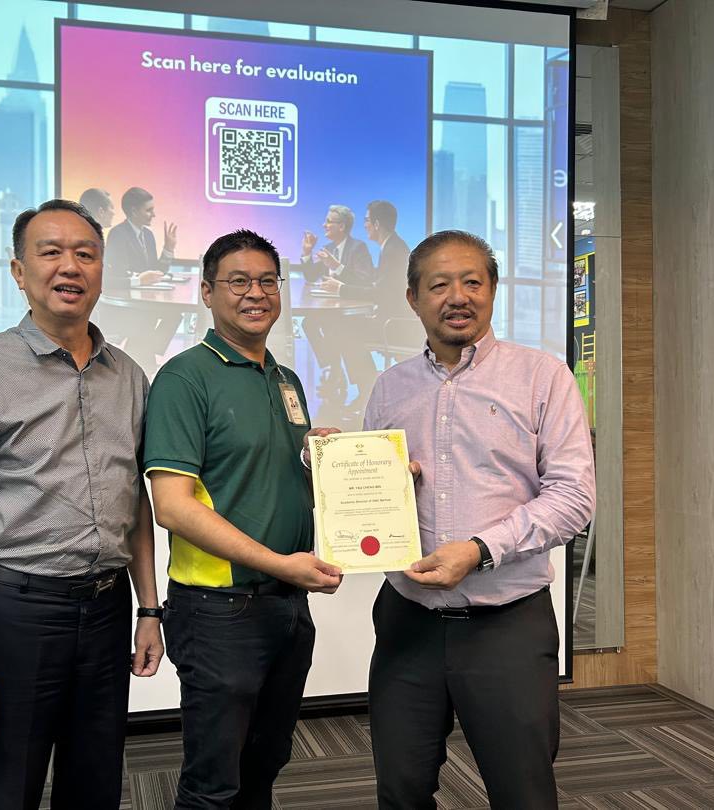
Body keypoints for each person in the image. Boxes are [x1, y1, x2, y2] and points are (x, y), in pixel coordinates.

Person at [0, 199, 164, 810]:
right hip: (17, 614)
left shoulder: (129, 377)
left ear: (101, 270)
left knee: (95, 786)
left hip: (107, 611)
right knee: (8, 788)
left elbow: (136, 503)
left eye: (85, 254)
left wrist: (149, 608)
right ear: (19, 272)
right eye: (50, 252)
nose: (70, 266)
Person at [363, 230, 595, 809]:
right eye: (439, 284)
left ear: (493, 290)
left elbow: (573, 497)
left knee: (523, 794)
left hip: (506, 624)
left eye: (472, 282)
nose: (458, 297)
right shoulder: (390, 388)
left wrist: (479, 549)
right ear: (413, 298)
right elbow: (372, 496)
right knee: (400, 791)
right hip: (408, 621)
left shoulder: (543, 377)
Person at [143, 229, 342, 809]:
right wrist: (279, 563)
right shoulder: (185, 377)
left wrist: (343, 462)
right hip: (219, 612)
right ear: (207, 292)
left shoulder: (285, 379)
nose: (256, 293)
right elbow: (172, 506)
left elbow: (269, 477)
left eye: (267, 281)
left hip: (287, 604)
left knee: (265, 762)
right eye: (238, 282)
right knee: (214, 783)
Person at [316, 200, 418, 407]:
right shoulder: (392, 246)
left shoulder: (393, 250)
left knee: (344, 331)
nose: (364, 225)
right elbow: (380, 287)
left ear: (377, 224)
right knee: (340, 327)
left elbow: (381, 294)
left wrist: (341, 289)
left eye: (367, 220)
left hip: (394, 325)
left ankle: (368, 390)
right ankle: (366, 388)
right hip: (389, 318)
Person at [299, 205, 375, 399]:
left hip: (354, 313)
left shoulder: (358, 248)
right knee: (309, 322)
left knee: (335, 330)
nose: (324, 225)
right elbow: (311, 276)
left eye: (329, 222)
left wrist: (337, 266)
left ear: (341, 226)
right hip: (333, 310)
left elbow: (364, 280)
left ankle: (339, 376)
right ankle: (332, 367)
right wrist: (307, 252)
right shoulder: (329, 248)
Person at [104, 185, 178, 290]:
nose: (154, 215)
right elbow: (119, 274)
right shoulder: (117, 234)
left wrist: (168, 248)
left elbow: (156, 272)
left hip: (147, 295)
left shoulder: (148, 235)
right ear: (134, 211)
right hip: (128, 296)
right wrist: (139, 280)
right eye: (149, 210)